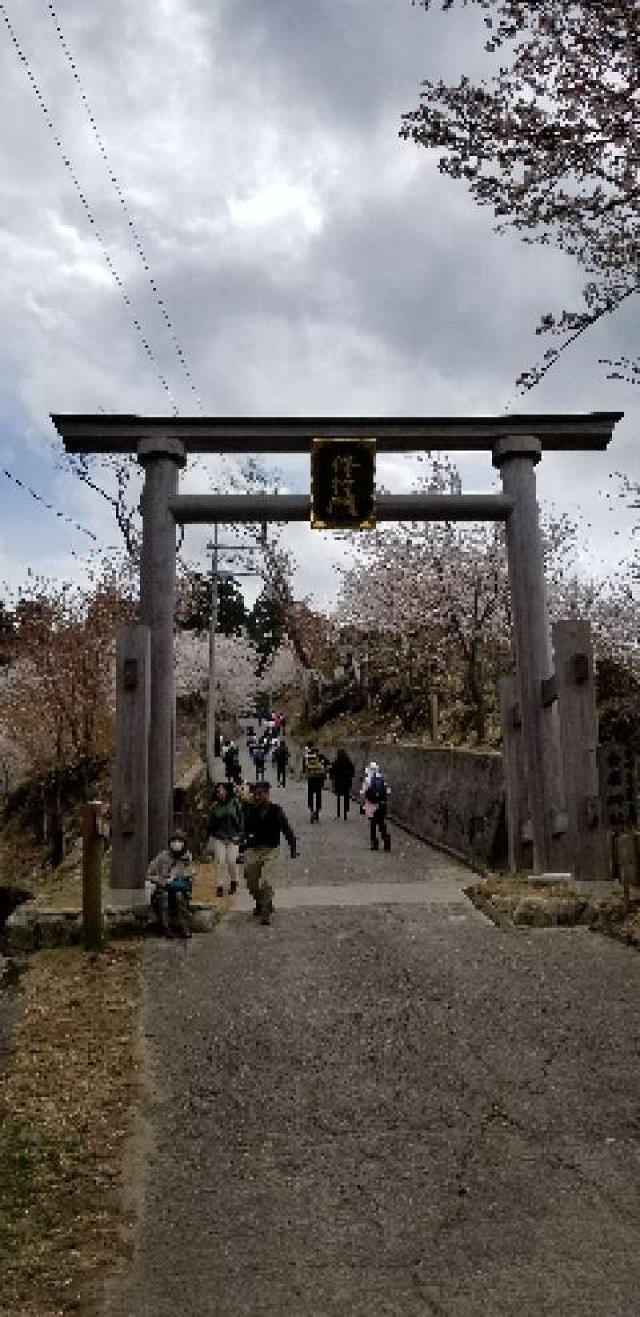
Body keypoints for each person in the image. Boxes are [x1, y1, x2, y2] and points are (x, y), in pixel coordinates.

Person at [242, 780, 297, 924]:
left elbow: (287, 830)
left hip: (271, 849)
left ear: (267, 794)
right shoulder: (251, 811)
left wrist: (293, 847)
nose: (258, 797)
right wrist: (243, 845)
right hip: (254, 850)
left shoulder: (276, 810)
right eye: (256, 794)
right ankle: (261, 902)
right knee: (251, 882)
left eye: (261, 794)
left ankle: (265, 909)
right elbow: (245, 830)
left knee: (267, 881)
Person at [147, 828, 194, 937]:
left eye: (180, 841)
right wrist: (162, 880)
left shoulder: (187, 858)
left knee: (179, 895)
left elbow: (190, 875)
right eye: (174, 841)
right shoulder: (162, 856)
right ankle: (165, 926)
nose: (176, 844)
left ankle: (183, 925)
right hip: (163, 889)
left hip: (179, 889)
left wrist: (183, 878)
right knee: (163, 896)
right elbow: (149, 874)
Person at [206, 781, 243, 897]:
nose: (220, 793)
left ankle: (234, 880)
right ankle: (219, 886)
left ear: (227, 791)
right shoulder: (214, 807)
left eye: (222, 790)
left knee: (231, 860)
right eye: (218, 791)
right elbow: (209, 823)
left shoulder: (235, 802)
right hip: (220, 837)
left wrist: (241, 834)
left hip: (233, 836)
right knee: (219, 861)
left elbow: (241, 818)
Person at [361, 762, 391, 852]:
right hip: (382, 804)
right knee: (381, 823)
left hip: (371, 805)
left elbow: (363, 793)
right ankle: (386, 840)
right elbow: (388, 792)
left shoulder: (367, 779)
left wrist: (363, 804)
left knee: (373, 824)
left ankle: (374, 843)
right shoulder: (382, 779)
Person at [331, 747, 355, 820]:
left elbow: (332, 771)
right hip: (346, 782)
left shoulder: (336, 761)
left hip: (339, 782)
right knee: (346, 797)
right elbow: (352, 771)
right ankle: (345, 812)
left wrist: (332, 778)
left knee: (339, 798)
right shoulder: (348, 761)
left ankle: (339, 813)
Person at [304, 744, 326, 823]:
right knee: (318, 795)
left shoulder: (307, 757)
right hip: (319, 779)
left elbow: (304, 768)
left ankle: (311, 810)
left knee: (310, 795)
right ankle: (317, 811)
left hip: (311, 779)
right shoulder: (321, 757)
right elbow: (326, 766)